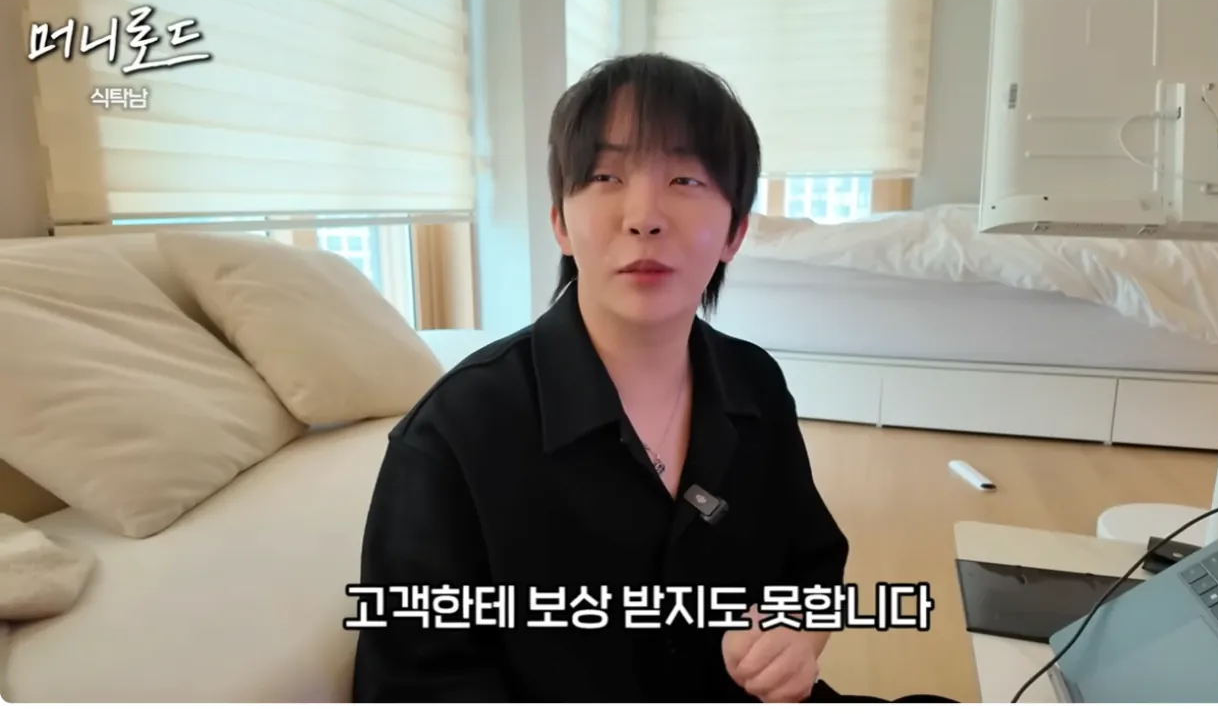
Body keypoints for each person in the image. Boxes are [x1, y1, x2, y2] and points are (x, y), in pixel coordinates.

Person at [351, 53, 949, 704]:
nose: (644, 216)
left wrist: (795, 635)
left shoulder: (754, 383)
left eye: (685, 179)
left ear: (735, 232)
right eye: (605, 176)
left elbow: (811, 564)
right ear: (560, 223)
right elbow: (415, 688)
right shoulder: (453, 437)